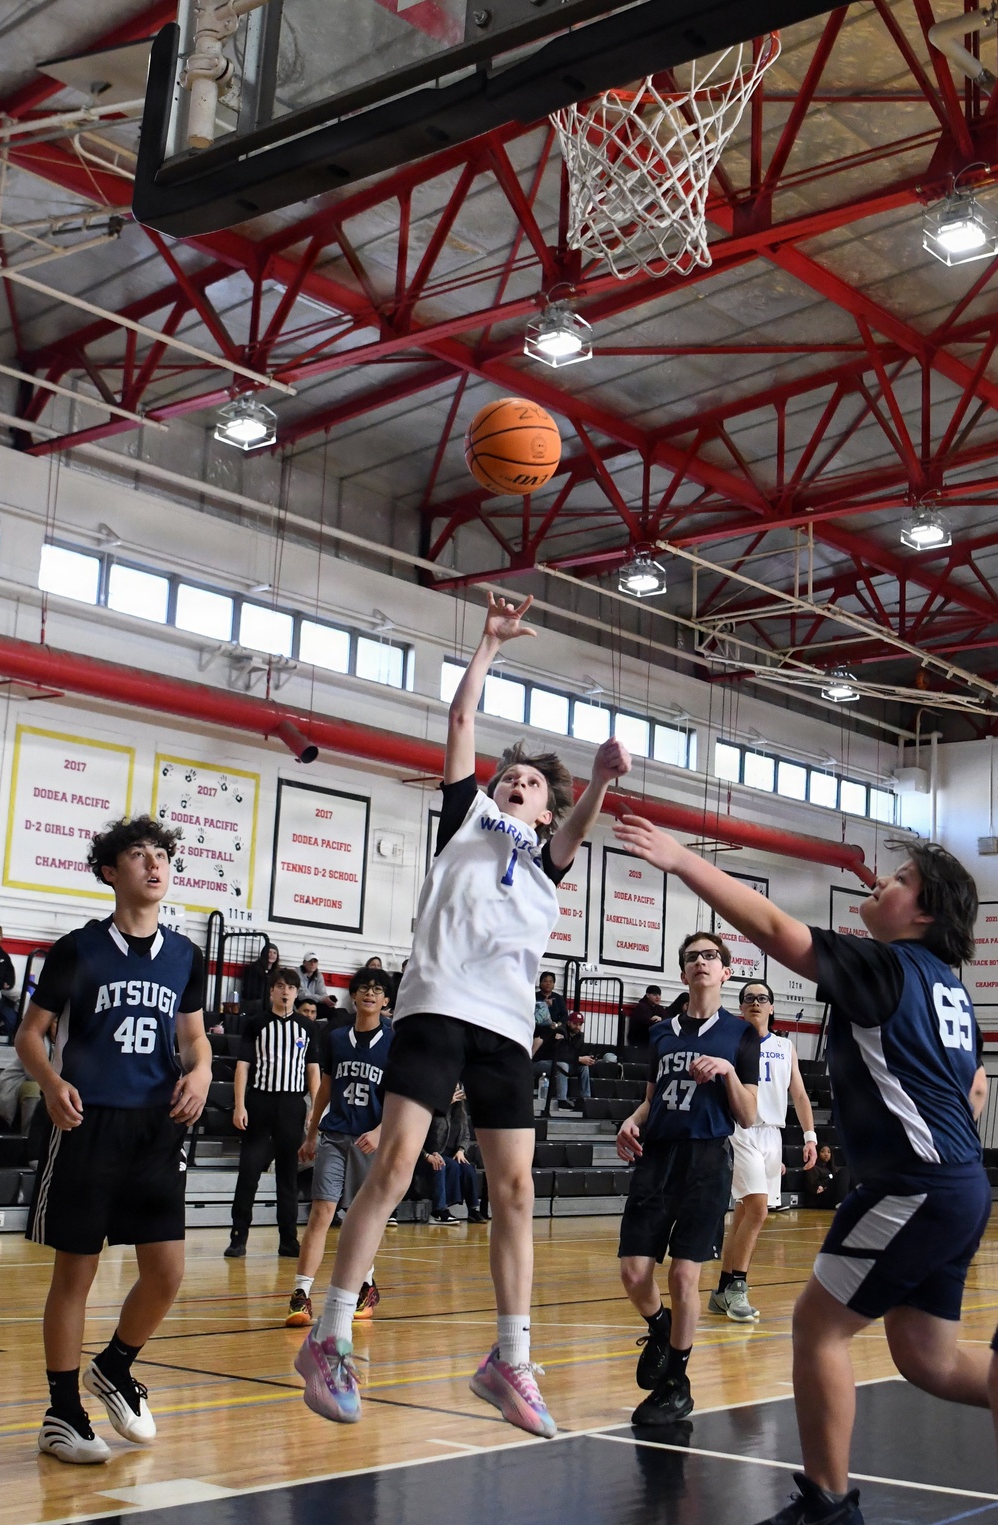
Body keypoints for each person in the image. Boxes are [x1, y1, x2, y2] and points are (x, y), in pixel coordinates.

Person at [294, 591, 631, 1438]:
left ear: (547, 808)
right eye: (511, 774)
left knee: (514, 1188)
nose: (516, 782)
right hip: (439, 1004)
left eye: (532, 784)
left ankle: (509, 1358)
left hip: (506, 1029)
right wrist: (486, 646)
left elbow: (579, 827)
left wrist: (594, 780)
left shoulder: (551, 852)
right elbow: (458, 717)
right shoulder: (468, 816)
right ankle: (330, 1336)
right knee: (397, 1167)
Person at [614, 817, 990, 1525]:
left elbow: (774, 928)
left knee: (817, 1325)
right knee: (927, 1357)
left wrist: (682, 859)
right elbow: (974, 1085)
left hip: (914, 1184)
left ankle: (827, 1503)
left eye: (902, 879)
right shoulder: (949, 987)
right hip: (956, 1183)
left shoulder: (886, 964)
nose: (882, 880)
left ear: (924, 912)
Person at [14, 815, 210, 1465]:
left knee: (167, 1270)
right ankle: (61, 1411)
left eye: (162, 854)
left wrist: (204, 1069)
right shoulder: (77, 949)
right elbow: (30, 1034)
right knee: (78, 1270)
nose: (154, 864)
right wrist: (48, 1081)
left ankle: (116, 1365)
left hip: (157, 1125)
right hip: (87, 1119)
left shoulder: (185, 954)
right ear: (109, 871)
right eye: (138, 854)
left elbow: (194, 1037)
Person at [616, 932, 759, 1428]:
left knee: (682, 1275)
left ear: (725, 971)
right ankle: (662, 1328)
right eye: (693, 957)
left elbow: (748, 1115)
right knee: (634, 1273)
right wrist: (631, 1120)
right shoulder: (661, 1033)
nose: (702, 962)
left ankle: (678, 1382)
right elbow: (652, 1099)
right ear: (682, 973)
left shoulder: (741, 1035)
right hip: (656, 1157)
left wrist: (727, 1073)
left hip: (705, 1161)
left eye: (711, 956)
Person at [285, 969, 394, 1329]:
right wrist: (312, 1132)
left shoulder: (393, 1042)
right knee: (321, 1212)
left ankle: (366, 1282)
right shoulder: (335, 1038)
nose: (370, 994)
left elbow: (397, 1099)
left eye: (377, 990)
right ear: (353, 995)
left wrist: (380, 1131)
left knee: (362, 1219)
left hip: (369, 1140)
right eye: (364, 988)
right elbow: (326, 1090)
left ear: (385, 1001)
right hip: (334, 1134)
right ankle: (300, 1294)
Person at [708, 979, 818, 1323]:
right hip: (741, 1129)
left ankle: (722, 1290)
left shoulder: (785, 1047)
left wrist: (810, 1136)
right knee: (756, 1210)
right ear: (740, 1007)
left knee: (744, 1214)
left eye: (762, 998)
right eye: (749, 998)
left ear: (771, 1006)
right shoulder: (730, 1043)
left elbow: (798, 1095)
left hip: (773, 1136)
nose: (755, 1002)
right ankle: (738, 1287)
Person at [226, 968, 320, 1260]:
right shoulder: (256, 1023)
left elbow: (313, 1070)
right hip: (259, 1101)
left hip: (292, 1105)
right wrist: (239, 1105)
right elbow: (242, 1066)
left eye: (291, 987)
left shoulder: (308, 1027)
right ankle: (238, 1238)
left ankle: (288, 1240)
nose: (286, 991)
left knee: (287, 1176)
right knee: (249, 1172)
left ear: (296, 992)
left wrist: (315, 1111)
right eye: (280, 986)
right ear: (271, 992)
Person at [422, 1084, 487, 1224]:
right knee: (449, 1165)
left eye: (458, 1089)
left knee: (468, 1168)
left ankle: (473, 1209)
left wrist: (461, 1150)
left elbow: (466, 1136)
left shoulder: (461, 1112)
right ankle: (439, 1210)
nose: (456, 1092)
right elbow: (429, 1132)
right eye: (452, 1089)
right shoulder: (433, 1109)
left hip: (453, 1153)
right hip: (434, 1152)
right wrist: (444, 1104)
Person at [550, 1011, 597, 1112]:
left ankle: (586, 1099)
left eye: (580, 1024)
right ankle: (562, 1100)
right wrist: (579, 1059)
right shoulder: (560, 1032)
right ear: (568, 1022)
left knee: (584, 1067)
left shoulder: (579, 1036)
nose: (578, 1027)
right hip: (545, 1062)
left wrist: (587, 1059)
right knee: (562, 1065)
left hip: (564, 1063)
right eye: (575, 1023)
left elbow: (576, 1054)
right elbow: (559, 1055)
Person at [803, 1144, 850, 1209]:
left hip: (831, 1195)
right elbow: (812, 1187)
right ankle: (841, 1202)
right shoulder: (813, 1168)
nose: (826, 1154)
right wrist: (823, 1187)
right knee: (844, 1170)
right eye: (822, 1152)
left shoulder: (832, 1168)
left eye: (829, 1152)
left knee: (849, 1171)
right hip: (820, 1199)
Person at [241, 943, 279, 1010]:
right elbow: (251, 990)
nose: (272, 955)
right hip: (254, 1001)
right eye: (269, 952)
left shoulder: (276, 972)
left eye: (274, 953)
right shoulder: (253, 969)